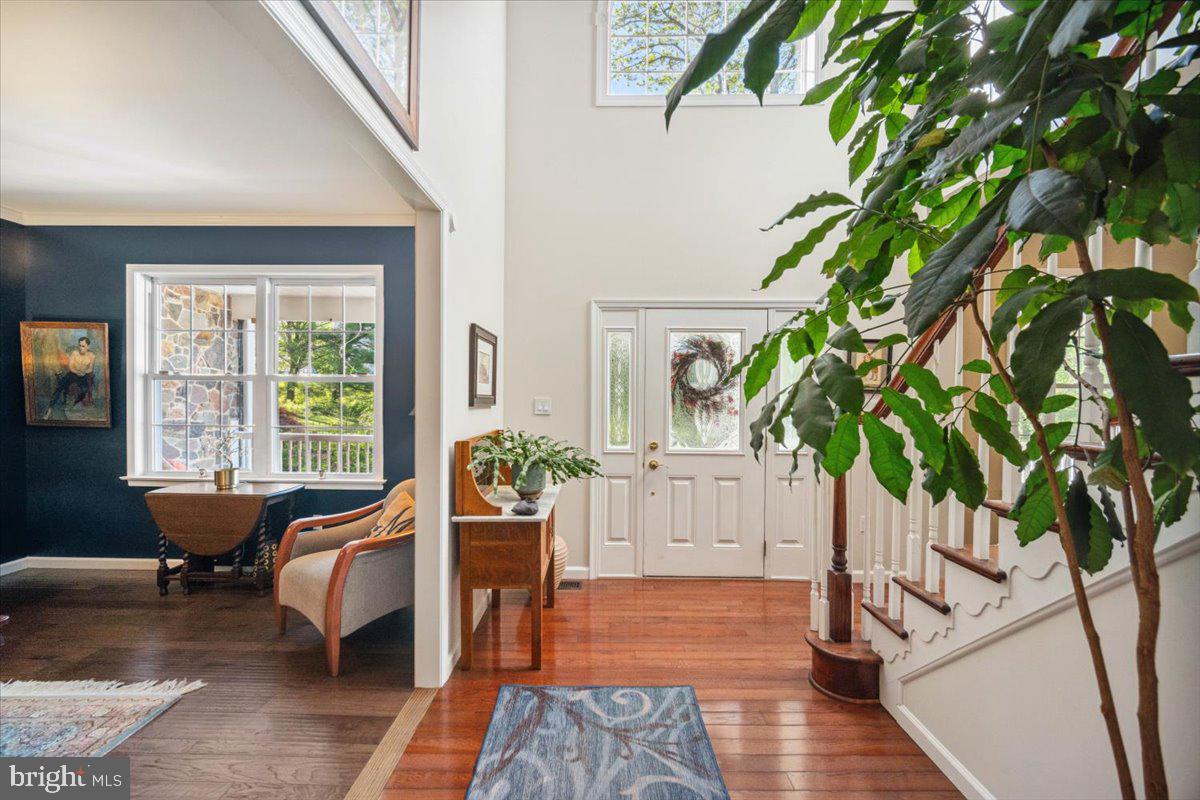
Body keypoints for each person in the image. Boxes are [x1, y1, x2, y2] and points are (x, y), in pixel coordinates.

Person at [45, 336, 97, 418]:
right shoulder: (74, 353)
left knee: (84, 390)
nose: (80, 348)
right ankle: (50, 410)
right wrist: (77, 372)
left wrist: (83, 372)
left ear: (88, 346)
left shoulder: (92, 356)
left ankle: (73, 405)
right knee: (59, 387)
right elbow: (71, 367)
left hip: (83, 376)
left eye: (83, 346)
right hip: (72, 374)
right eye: (79, 345)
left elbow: (90, 369)